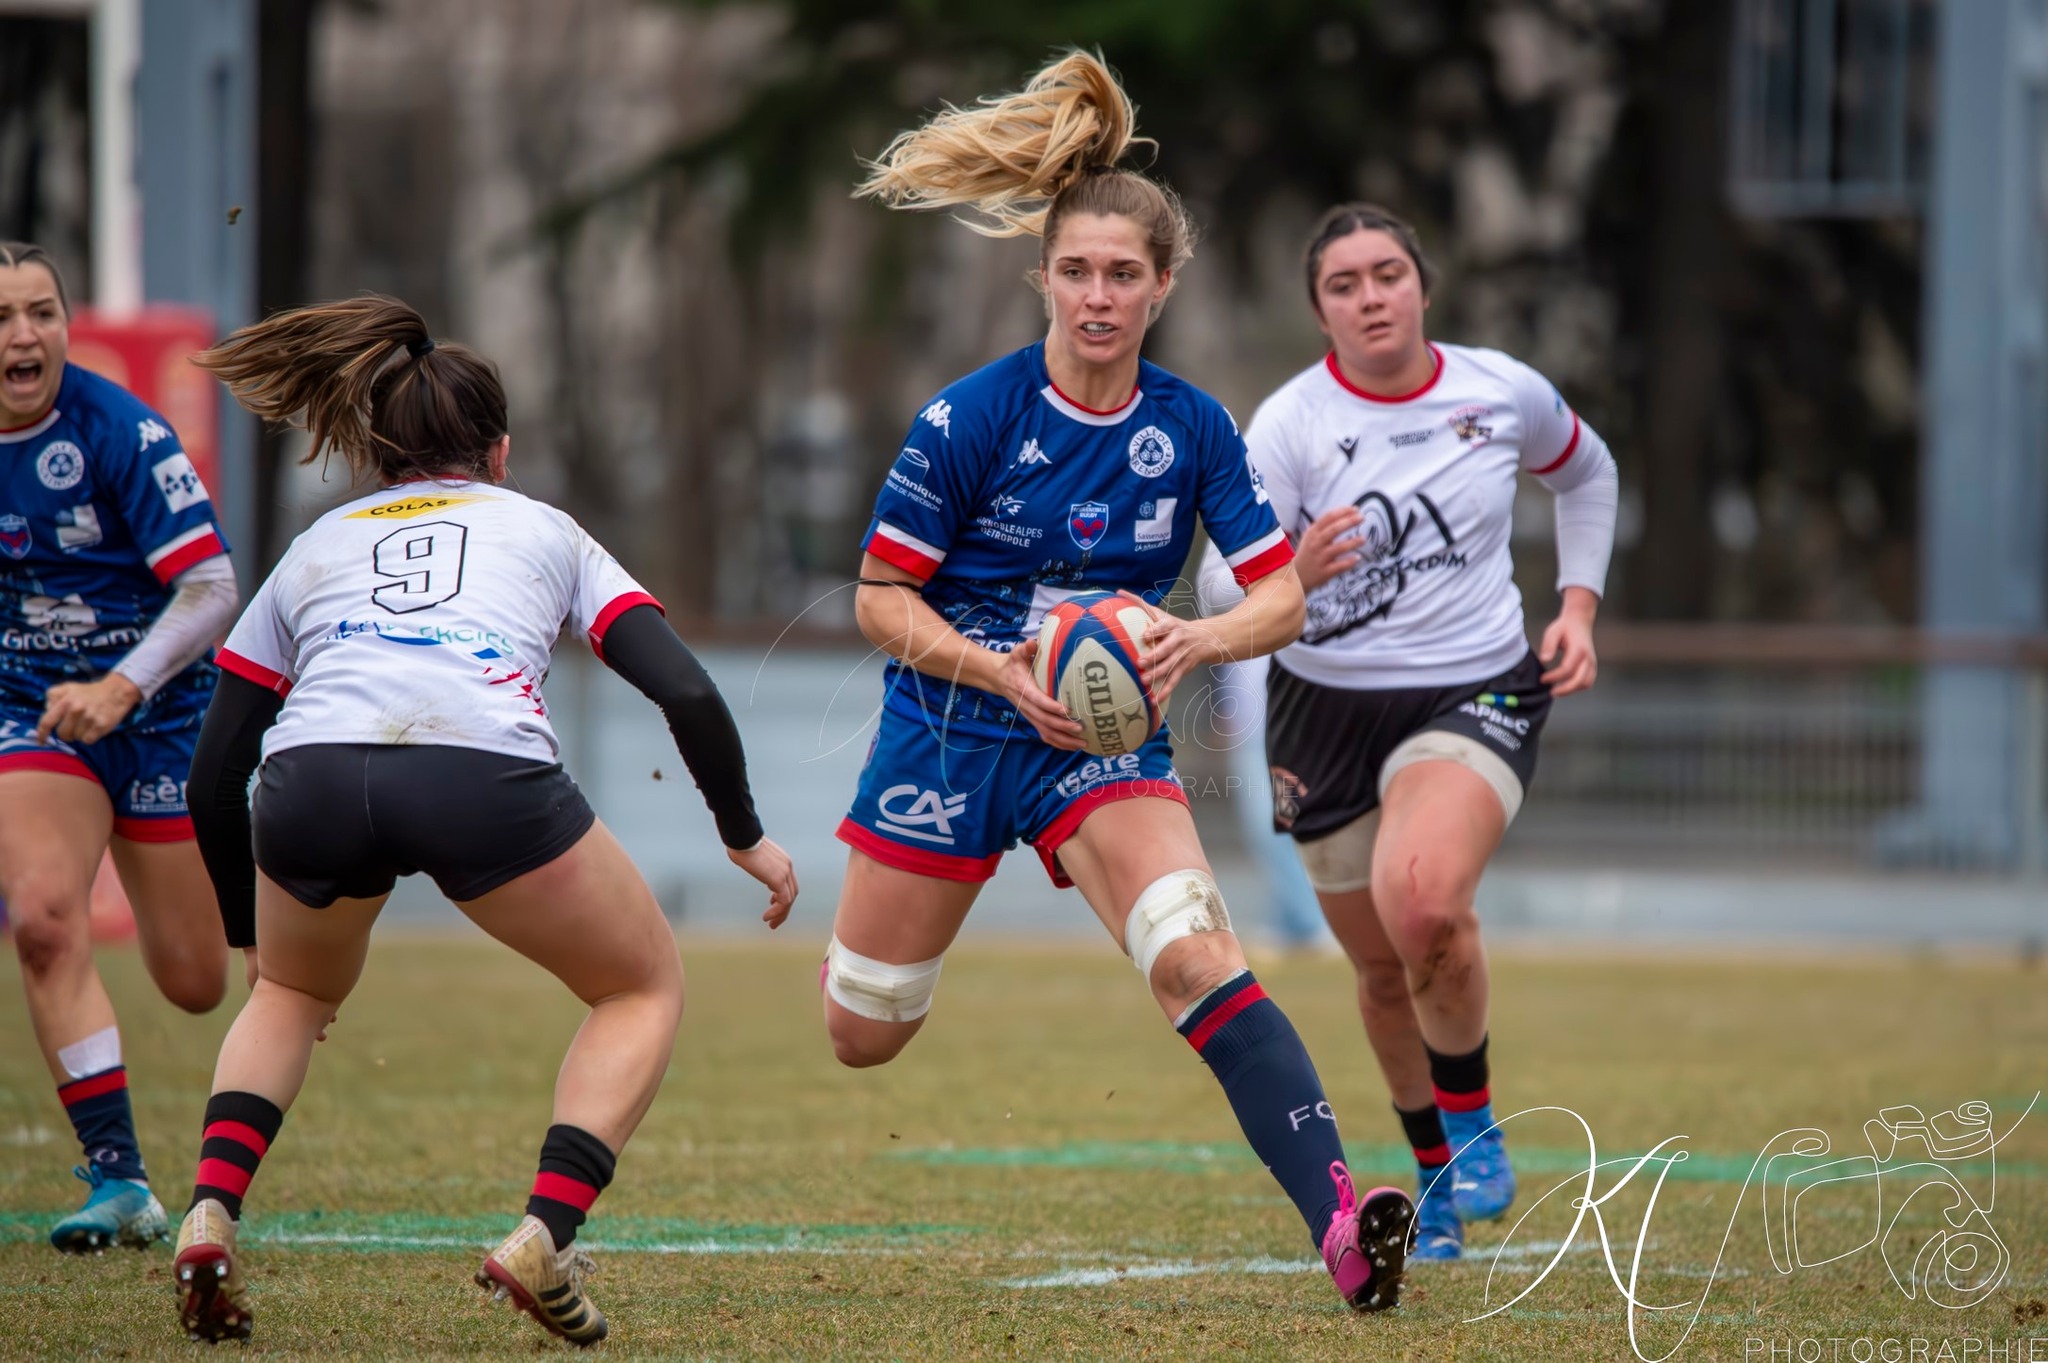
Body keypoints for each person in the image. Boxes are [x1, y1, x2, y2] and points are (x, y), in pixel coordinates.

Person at [830, 52, 1414, 1314]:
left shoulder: (1194, 428)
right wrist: (999, 667)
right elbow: (879, 599)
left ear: (1161, 286)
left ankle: (1339, 1222)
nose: (1099, 297)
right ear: (1042, 277)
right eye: (1078, 272)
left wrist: (1189, 641)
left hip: (1102, 744)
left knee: (1195, 956)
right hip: (947, 732)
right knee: (863, 1029)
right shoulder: (967, 420)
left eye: (1124, 276)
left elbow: (1278, 596)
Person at [170, 295, 797, 1346]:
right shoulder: (543, 527)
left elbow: (213, 770)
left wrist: (248, 936)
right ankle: (544, 1233)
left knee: (290, 993)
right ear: (498, 451)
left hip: (312, 780)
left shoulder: (320, 543)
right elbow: (685, 691)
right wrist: (742, 834)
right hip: (475, 773)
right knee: (639, 985)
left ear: (375, 456)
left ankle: (210, 1208)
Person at [1198, 204, 1618, 1260]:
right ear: (1319, 311)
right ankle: (1433, 1174)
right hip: (1319, 709)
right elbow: (1218, 579)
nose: (1370, 296)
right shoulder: (1289, 423)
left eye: (1386, 274)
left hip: (1470, 688)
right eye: (1343, 284)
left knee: (1420, 895)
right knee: (1383, 967)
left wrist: (1575, 606)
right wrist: (1288, 574)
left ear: (1420, 286)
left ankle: (1474, 1125)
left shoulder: (1498, 391)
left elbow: (1586, 472)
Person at [0, 241, 240, 1253]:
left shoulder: (121, 431)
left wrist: (122, 683)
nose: (24, 336)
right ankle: (119, 1178)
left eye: (42, 312)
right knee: (47, 920)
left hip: (155, 712)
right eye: (4, 318)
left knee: (195, 980)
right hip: (28, 710)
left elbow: (214, 587)